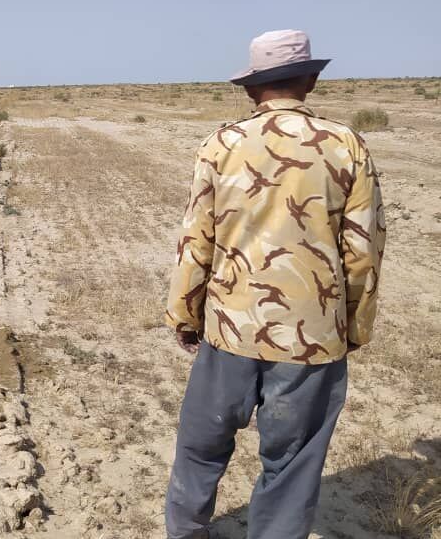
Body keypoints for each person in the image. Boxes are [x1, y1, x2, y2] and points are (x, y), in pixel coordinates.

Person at [164, 30, 386, 539]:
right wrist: (353, 326)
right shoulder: (346, 144)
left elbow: (197, 238)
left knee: (201, 445)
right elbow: (363, 250)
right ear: (309, 81)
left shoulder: (221, 144)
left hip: (229, 330)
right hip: (311, 337)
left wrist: (185, 312)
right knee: (291, 464)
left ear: (251, 89)